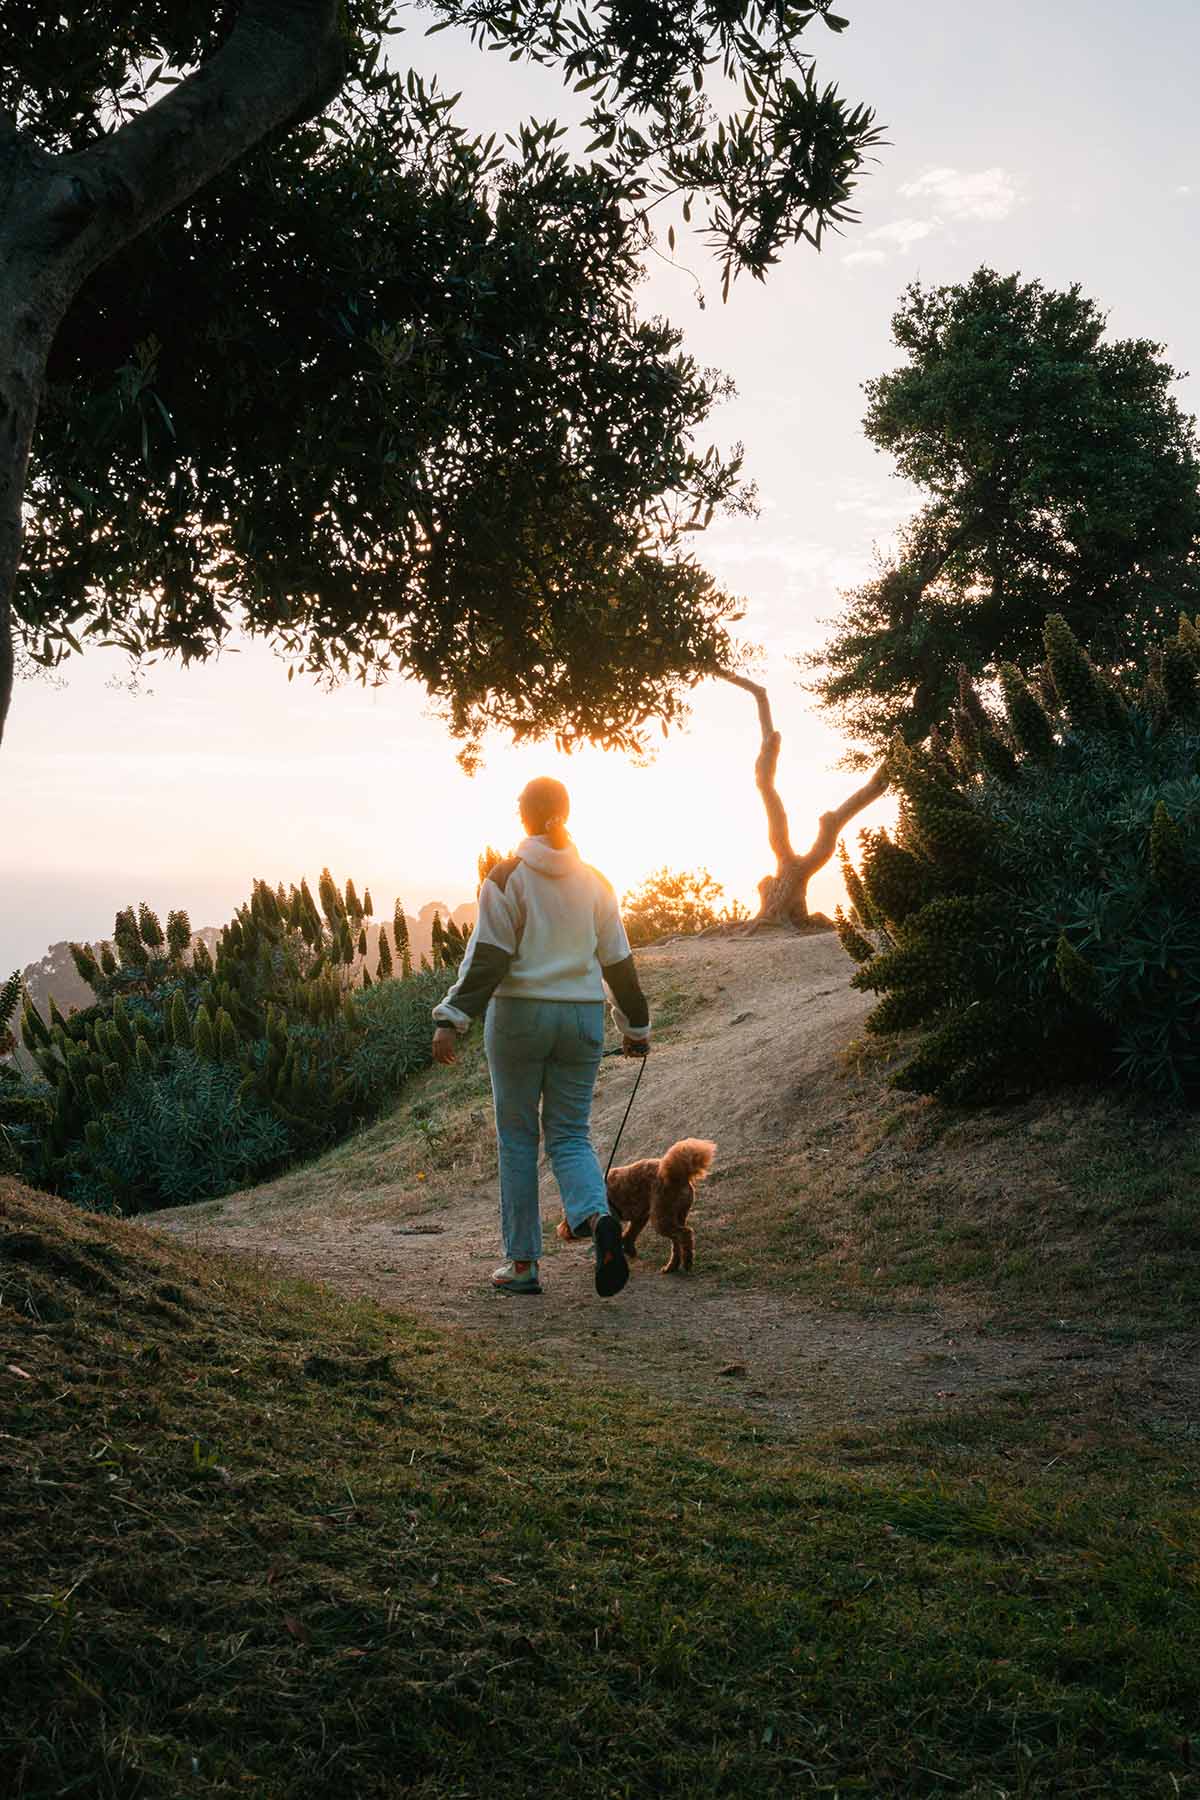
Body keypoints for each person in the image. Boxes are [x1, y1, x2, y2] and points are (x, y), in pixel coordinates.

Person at [430, 777, 650, 1299]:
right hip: (581, 1020)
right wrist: (636, 1029)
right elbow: (618, 962)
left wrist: (451, 1018)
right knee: (570, 1135)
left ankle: (524, 1265)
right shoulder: (596, 881)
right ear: (567, 813)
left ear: (523, 816)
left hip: (519, 1020)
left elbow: (488, 957)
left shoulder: (506, 878)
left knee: (519, 1139)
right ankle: (598, 1220)